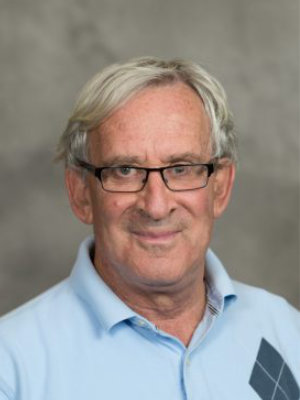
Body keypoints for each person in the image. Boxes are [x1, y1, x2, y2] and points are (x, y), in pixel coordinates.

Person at [0, 57, 299, 400]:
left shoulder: (286, 331)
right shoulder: (11, 370)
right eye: (125, 170)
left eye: (182, 168)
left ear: (220, 187)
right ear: (81, 193)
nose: (156, 206)